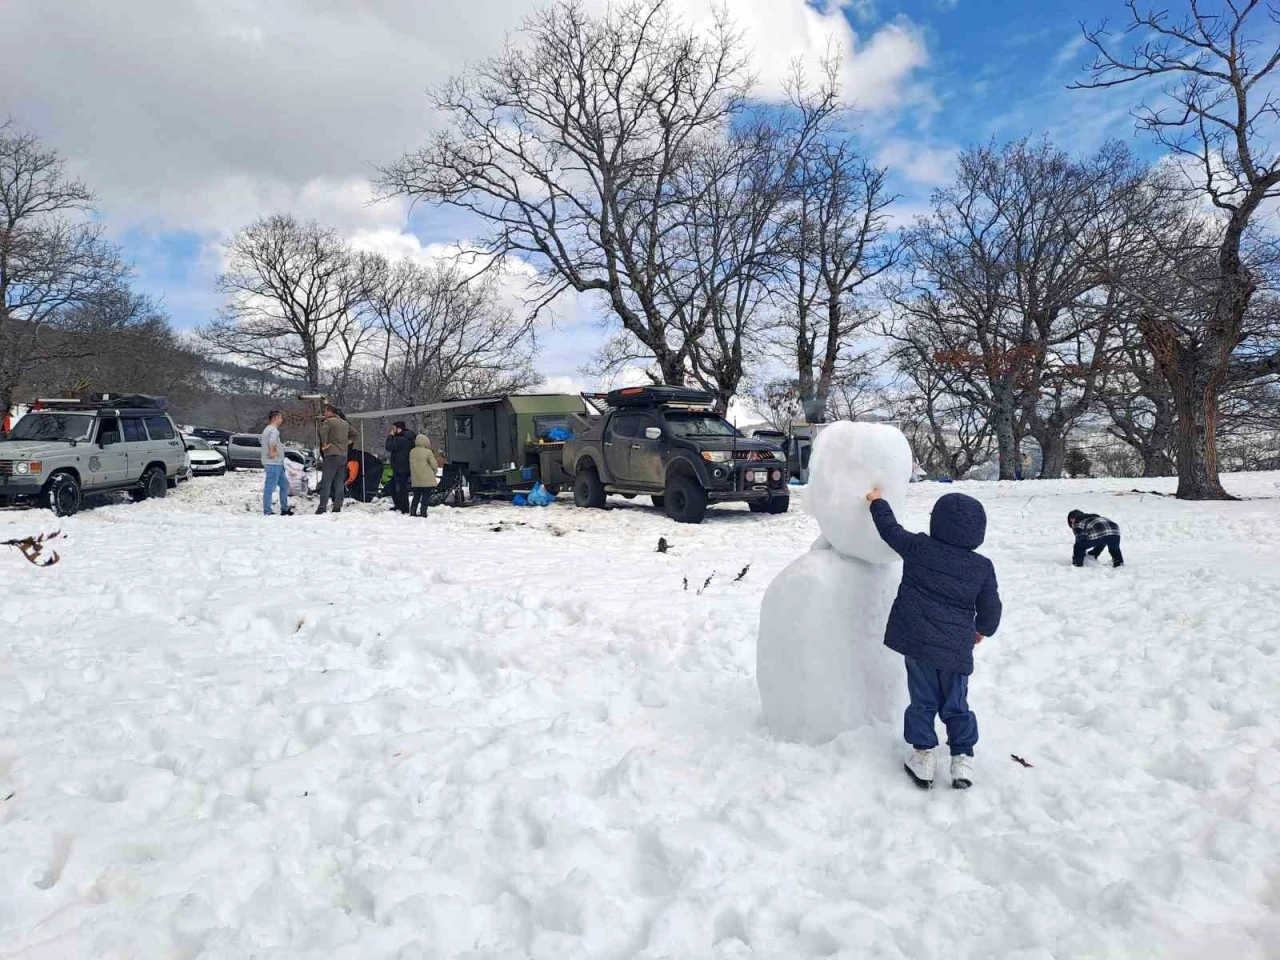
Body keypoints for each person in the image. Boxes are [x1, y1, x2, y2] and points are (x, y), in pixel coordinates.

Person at [865, 489, 1002, 790]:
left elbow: (890, 531)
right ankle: (962, 757)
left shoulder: (919, 548)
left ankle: (923, 755)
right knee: (956, 702)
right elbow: (991, 608)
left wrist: (877, 502)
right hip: (956, 649)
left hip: (919, 643)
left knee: (923, 700)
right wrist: (982, 629)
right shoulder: (981, 567)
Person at [316, 404, 350, 514]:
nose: (324, 414)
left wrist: (325, 444)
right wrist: (347, 443)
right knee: (339, 482)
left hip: (331, 455)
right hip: (343, 456)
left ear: (330, 412)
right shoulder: (345, 423)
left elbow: (322, 432)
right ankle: (337, 506)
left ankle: (322, 507)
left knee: (327, 482)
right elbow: (356, 434)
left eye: (325, 412)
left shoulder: (329, 421)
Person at [260, 410, 291, 516]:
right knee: (270, 486)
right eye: (280, 418)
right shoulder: (273, 430)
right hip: (273, 463)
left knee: (284, 484)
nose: (281, 420)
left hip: (277, 463)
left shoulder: (267, 430)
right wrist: (273, 451)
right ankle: (267, 511)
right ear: (275, 418)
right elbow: (272, 441)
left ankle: (284, 508)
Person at [384, 420, 417, 514]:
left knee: (400, 488)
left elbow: (388, 446)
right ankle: (400, 506)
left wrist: (390, 436)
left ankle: (404, 508)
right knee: (394, 487)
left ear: (398, 429)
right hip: (405, 466)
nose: (392, 430)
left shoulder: (400, 439)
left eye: (393, 429)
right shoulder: (409, 438)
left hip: (400, 467)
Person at [408, 434, 440, 517]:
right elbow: (434, 465)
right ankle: (423, 512)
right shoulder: (428, 452)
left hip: (416, 479)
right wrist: (434, 471)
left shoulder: (412, 452)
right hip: (427, 479)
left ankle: (413, 511)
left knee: (416, 496)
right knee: (425, 496)